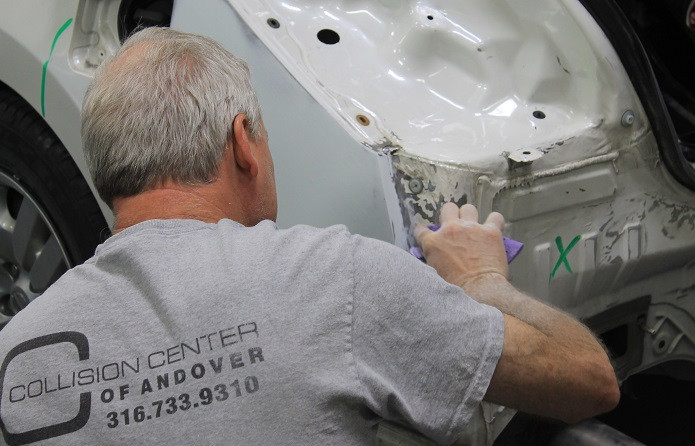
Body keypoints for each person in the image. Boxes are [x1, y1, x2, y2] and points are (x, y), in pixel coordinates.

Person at [0, 28, 618, 445]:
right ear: (243, 142)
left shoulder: (16, 360)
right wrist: (482, 281)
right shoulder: (331, 279)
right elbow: (587, 381)